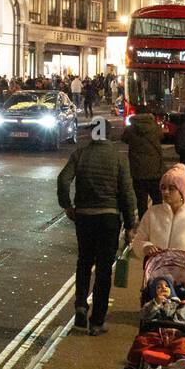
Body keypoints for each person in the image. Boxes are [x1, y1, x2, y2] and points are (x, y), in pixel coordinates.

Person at [57, 123, 137, 335]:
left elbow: (63, 180)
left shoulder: (80, 154)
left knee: (84, 262)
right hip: (109, 217)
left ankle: (81, 305)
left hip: (84, 216)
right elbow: (127, 193)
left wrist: (67, 206)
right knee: (103, 270)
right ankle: (97, 322)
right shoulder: (119, 158)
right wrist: (130, 226)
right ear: (110, 135)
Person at [132, 163, 185, 291]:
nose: (165, 192)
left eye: (171, 188)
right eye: (163, 188)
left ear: (182, 193)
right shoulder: (152, 213)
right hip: (157, 282)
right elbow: (138, 241)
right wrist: (146, 247)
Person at [117, 277, 185, 369]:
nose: (163, 288)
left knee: (183, 343)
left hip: (178, 334)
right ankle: (132, 368)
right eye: (159, 287)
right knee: (140, 340)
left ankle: (181, 360)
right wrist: (156, 303)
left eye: (166, 286)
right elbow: (144, 315)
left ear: (172, 289)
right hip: (158, 334)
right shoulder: (153, 304)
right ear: (154, 292)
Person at [120, 107, 165, 217]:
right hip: (155, 169)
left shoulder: (131, 129)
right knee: (157, 200)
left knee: (141, 201)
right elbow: (161, 136)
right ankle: (157, 223)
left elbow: (124, 139)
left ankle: (144, 224)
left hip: (138, 170)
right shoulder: (155, 127)